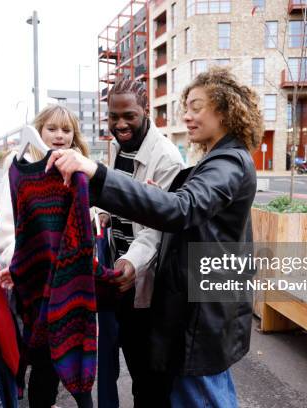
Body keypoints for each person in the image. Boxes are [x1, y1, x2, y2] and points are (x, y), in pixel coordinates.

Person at [45, 66, 262, 407]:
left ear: (224, 108)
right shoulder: (218, 158)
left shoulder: (228, 162)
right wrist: (157, 195)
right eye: (185, 108)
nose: (186, 116)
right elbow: (187, 207)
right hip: (197, 304)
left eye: (196, 107)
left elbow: (182, 209)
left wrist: (97, 175)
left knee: (201, 394)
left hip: (202, 310)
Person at [0, 104, 91, 408]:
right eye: (52, 129)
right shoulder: (18, 168)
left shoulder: (77, 169)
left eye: (66, 130)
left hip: (69, 279)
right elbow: (7, 226)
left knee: (71, 353)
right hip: (32, 281)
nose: (59, 136)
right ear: (38, 130)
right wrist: (17, 263)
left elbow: (85, 221)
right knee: (42, 360)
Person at [96, 79, 184, 408]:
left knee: (151, 379)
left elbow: (157, 228)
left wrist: (131, 262)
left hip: (148, 283)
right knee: (135, 367)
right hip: (123, 277)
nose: (120, 124)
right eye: (113, 116)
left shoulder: (165, 158)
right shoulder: (123, 146)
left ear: (145, 110)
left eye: (129, 115)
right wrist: (102, 213)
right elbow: (121, 195)